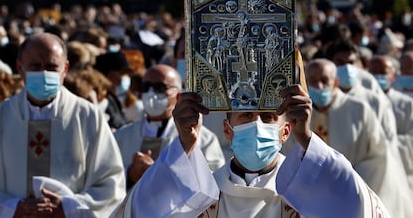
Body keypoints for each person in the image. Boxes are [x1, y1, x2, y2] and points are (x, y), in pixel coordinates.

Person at [112, 84, 391, 217]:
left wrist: (308, 139)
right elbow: (141, 213)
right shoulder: (202, 196)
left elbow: (357, 209)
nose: (256, 124)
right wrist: (185, 144)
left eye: (268, 116)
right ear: (226, 130)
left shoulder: (308, 195)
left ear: (286, 131)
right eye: (245, 115)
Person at [0, 33, 126, 217]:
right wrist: (12, 208)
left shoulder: (88, 116)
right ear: (20, 68)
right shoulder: (2, 116)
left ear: (65, 68)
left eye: (51, 67)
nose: (44, 73)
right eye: (35, 66)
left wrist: (68, 207)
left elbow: (111, 184)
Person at [304, 58, 412, 217]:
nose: (319, 86)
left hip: (355, 195)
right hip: (314, 199)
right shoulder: (301, 115)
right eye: (313, 81)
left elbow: (378, 156)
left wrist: (347, 182)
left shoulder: (359, 110)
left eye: (324, 80)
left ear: (335, 82)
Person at [114, 64, 225, 189]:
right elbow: (105, 178)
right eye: (146, 87)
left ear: (178, 95)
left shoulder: (204, 139)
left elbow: (214, 183)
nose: (151, 93)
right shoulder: (121, 136)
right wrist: (130, 174)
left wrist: (162, 173)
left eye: (160, 87)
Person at [368, 54, 413, 192]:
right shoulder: (361, 102)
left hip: (401, 175)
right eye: (374, 73)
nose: (378, 77)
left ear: (393, 76)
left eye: (383, 73)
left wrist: (381, 143)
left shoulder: (406, 104)